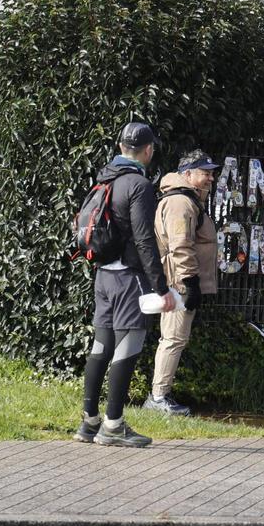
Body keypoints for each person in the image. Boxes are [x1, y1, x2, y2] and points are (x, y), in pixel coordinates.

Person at [74, 122, 175, 448]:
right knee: (128, 348)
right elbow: (145, 239)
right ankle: (113, 425)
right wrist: (160, 287)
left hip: (103, 275)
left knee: (101, 347)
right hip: (129, 278)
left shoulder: (104, 180)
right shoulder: (138, 185)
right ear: (148, 150)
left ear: (120, 147)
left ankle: (89, 422)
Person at [144, 150, 220, 416]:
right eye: (205, 172)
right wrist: (190, 282)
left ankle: (160, 395)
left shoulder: (188, 200)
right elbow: (180, 246)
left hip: (179, 280)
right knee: (174, 338)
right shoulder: (180, 203)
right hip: (179, 282)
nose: (211, 177)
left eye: (212, 172)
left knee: (175, 337)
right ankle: (158, 397)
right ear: (188, 174)